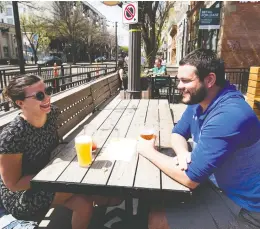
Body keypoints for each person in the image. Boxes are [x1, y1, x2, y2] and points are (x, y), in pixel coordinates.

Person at [138, 48, 260, 228]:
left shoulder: (229, 115)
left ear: (209, 80)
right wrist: (181, 153)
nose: (179, 86)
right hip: (214, 186)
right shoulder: (201, 102)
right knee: (156, 200)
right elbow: (178, 132)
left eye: (186, 81)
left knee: (158, 220)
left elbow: (190, 178)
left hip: (244, 208)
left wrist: (147, 151)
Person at [0, 75, 121, 229]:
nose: (47, 98)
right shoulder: (13, 135)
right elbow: (13, 184)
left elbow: (57, 146)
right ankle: (104, 199)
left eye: (48, 91)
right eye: (39, 96)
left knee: (84, 205)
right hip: (24, 195)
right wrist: (56, 178)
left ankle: (103, 199)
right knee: (95, 192)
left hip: (53, 177)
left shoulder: (51, 114)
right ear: (21, 103)